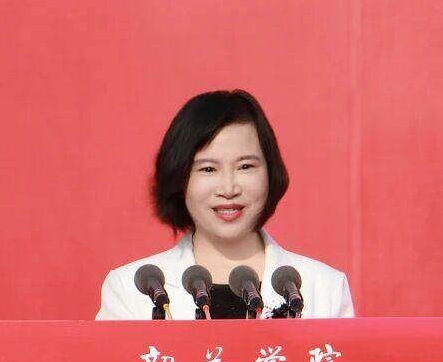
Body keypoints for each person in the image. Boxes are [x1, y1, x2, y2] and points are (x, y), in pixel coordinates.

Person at [96, 89, 355, 320]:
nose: (229, 189)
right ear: (180, 178)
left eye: (246, 166)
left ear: (270, 172)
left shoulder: (325, 288)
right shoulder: (130, 290)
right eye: (208, 169)